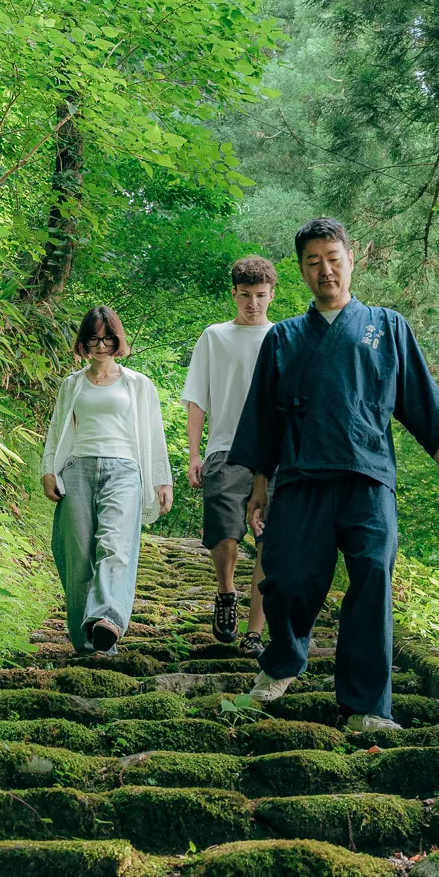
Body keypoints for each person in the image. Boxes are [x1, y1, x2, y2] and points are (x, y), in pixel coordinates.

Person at [227, 217, 439, 731]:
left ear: (351, 261)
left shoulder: (388, 326)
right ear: (300, 271)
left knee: (373, 580)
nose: (325, 271)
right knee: (288, 578)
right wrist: (259, 488)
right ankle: (281, 664)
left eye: (333, 259)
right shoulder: (285, 338)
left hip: (368, 475)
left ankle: (365, 706)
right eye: (313, 262)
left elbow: (419, 397)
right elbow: (263, 418)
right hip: (299, 476)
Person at [41, 306, 174, 654]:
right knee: (77, 554)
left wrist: (162, 480)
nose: (101, 346)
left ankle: (107, 619)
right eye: (94, 339)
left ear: (118, 341)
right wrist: (48, 470)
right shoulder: (72, 384)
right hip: (77, 469)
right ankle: (87, 642)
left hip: (124, 470)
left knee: (115, 545)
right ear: (83, 343)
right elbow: (57, 431)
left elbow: (154, 434)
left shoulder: (138, 384)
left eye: (107, 338)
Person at [182, 256, 279, 651]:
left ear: (272, 294)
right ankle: (226, 593)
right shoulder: (214, 336)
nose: (252, 304)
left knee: (267, 539)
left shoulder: (283, 337)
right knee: (224, 530)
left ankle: (254, 633)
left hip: (274, 453)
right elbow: (196, 399)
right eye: (245, 296)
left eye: (260, 296)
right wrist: (193, 454)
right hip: (225, 447)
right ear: (234, 294)